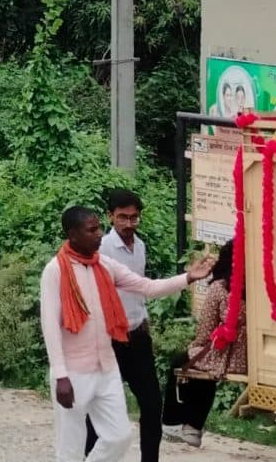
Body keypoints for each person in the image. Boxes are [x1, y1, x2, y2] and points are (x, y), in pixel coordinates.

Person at [41, 204, 212, 462]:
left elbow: (147, 287)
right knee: (70, 447)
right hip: (74, 372)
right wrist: (60, 375)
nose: (99, 234)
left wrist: (188, 278)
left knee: (119, 437)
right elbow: (50, 325)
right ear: (73, 234)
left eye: (99, 228)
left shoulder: (104, 265)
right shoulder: (55, 270)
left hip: (106, 368)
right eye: (92, 230)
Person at [85, 189, 166, 462]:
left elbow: (141, 288)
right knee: (100, 406)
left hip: (138, 334)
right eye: (123, 217)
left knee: (152, 404)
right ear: (111, 216)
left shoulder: (140, 246)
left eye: (134, 217)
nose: (129, 223)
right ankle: (89, 457)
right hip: (110, 338)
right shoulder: (103, 248)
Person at [162, 237, 245, 447]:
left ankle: (178, 423)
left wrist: (194, 346)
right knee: (202, 366)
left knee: (186, 361)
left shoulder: (220, 288)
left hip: (229, 354)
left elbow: (205, 331)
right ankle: (192, 427)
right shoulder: (260, 289)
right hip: (251, 356)